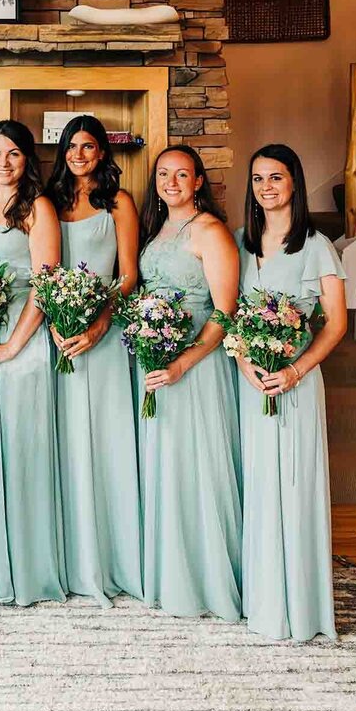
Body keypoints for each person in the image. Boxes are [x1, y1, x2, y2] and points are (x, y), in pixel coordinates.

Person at [236, 144, 345, 641]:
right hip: (251, 383)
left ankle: (299, 608)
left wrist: (297, 370)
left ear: (295, 183)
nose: (266, 187)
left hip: (296, 384)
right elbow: (230, 314)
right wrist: (243, 361)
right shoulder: (241, 241)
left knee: (295, 486)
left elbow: (336, 324)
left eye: (276, 177)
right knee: (259, 486)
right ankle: (263, 602)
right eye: (258, 179)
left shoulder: (317, 244)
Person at [0, 120, 67, 606]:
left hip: (22, 344)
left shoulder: (37, 208)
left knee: (22, 453)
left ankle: (26, 570)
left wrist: (10, 348)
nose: (3, 162)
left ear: (28, 160)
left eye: (14, 154)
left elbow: (45, 287)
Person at [137, 145, 242, 621]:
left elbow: (225, 312)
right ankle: (169, 572)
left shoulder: (210, 231)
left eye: (183, 174)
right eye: (164, 174)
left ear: (199, 181)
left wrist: (185, 362)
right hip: (157, 357)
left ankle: (205, 579)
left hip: (196, 365)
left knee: (197, 466)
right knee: (167, 466)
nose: (172, 181)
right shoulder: (156, 229)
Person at [45, 115, 143, 604]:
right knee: (62, 442)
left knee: (103, 441)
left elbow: (129, 274)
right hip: (56, 335)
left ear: (103, 153)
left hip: (102, 337)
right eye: (71, 146)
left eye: (88, 146)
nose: (79, 154)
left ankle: (110, 558)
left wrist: (101, 321)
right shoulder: (50, 202)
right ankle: (64, 558)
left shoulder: (118, 202)